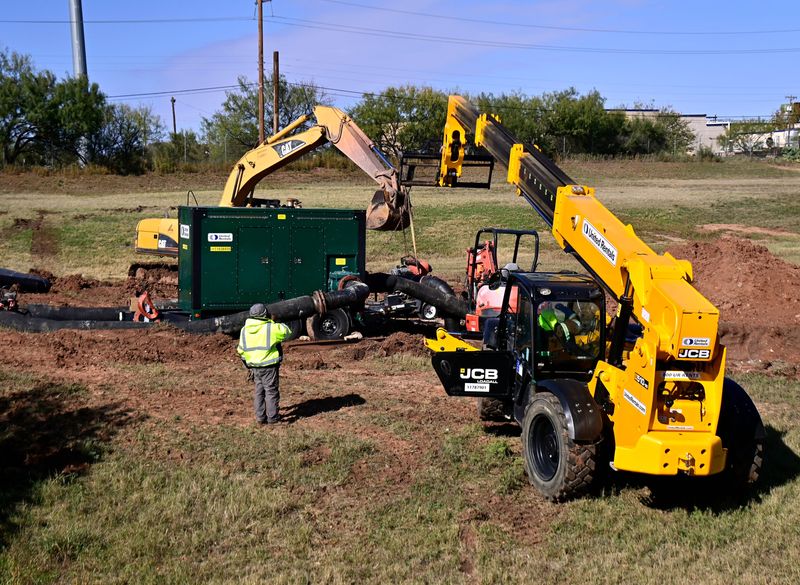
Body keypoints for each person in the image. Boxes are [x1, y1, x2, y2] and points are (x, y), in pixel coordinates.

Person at [237, 303, 292, 425]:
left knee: (259, 391)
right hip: (269, 366)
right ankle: (272, 418)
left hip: (254, 366)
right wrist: (274, 321)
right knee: (271, 391)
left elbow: (241, 350)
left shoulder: (244, 330)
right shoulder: (270, 328)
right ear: (265, 314)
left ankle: (260, 418)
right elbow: (287, 332)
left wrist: (248, 365)